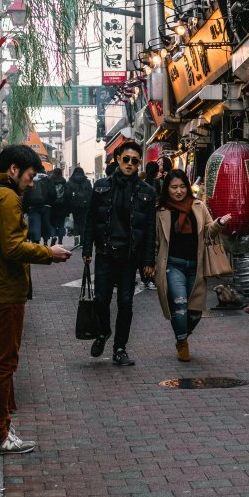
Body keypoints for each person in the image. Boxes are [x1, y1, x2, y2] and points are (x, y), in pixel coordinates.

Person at [0, 145, 71, 454]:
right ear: (13, 170)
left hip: (1, 288)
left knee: (2, 360)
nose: (30, 183)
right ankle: (1, 432)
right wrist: (48, 253)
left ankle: (2, 425)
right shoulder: (7, 197)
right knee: (5, 361)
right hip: (6, 291)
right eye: (29, 175)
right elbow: (12, 247)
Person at [82, 140, 156, 367]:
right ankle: (104, 331)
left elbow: (150, 229)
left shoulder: (147, 191)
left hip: (129, 257)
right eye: (126, 159)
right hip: (105, 252)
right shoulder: (101, 187)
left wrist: (148, 260)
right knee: (101, 299)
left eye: (135, 160)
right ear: (118, 160)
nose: (130, 164)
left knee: (125, 302)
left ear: (139, 162)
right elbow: (90, 219)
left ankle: (120, 348)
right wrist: (87, 248)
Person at [154, 169, 230, 361]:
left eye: (182, 186)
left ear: (187, 187)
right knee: (179, 304)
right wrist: (152, 264)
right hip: (173, 265)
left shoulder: (198, 206)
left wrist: (220, 223)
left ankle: (182, 333)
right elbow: (154, 240)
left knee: (195, 312)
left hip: (197, 266)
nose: (178, 191)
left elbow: (208, 231)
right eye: (174, 187)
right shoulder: (161, 211)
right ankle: (182, 342)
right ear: (167, 189)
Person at [140, 160, 164, 289]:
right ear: (156, 172)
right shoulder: (159, 183)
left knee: (144, 248)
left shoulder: (142, 184)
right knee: (155, 248)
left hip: (143, 220)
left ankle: (145, 278)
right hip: (157, 218)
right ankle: (153, 278)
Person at [22, 170, 55, 244]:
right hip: (46, 206)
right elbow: (53, 193)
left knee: (35, 224)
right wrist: (51, 202)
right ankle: (46, 241)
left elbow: (26, 193)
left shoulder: (31, 179)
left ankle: (36, 241)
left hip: (33, 206)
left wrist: (25, 208)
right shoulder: (48, 180)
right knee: (45, 224)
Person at [66, 166, 93, 248]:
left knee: (76, 222)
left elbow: (67, 195)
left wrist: (68, 206)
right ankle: (82, 242)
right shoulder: (87, 181)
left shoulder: (70, 182)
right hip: (85, 205)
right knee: (83, 223)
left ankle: (76, 238)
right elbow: (91, 194)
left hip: (74, 205)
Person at [48, 167, 68, 245]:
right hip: (62, 206)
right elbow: (67, 194)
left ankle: (53, 236)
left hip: (52, 206)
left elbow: (49, 193)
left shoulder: (51, 181)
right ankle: (60, 241)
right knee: (61, 224)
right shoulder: (64, 181)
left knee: (52, 224)